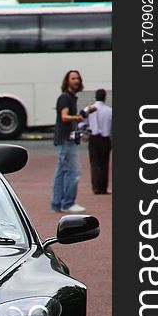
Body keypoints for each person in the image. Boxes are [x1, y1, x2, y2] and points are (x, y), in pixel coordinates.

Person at [50, 70, 95, 213]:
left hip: (66, 139)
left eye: (78, 78)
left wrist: (84, 113)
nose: (76, 81)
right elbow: (64, 117)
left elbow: (69, 117)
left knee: (62, 171)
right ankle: (68, 203)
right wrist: (78, 117)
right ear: (67, 81)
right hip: (66, 139)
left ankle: (57, 203)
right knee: (73, 171)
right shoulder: (65, 98)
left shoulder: (70, 98)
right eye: (73, 78)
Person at [87, 88, 112, 194]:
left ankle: (95, 187)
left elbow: (81, 122)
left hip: (93, 137)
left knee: (94, 163)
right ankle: (103, 187)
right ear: (105, 97)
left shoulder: (88, 109)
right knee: (104, 163)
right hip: (105, 138)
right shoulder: (109, 110)